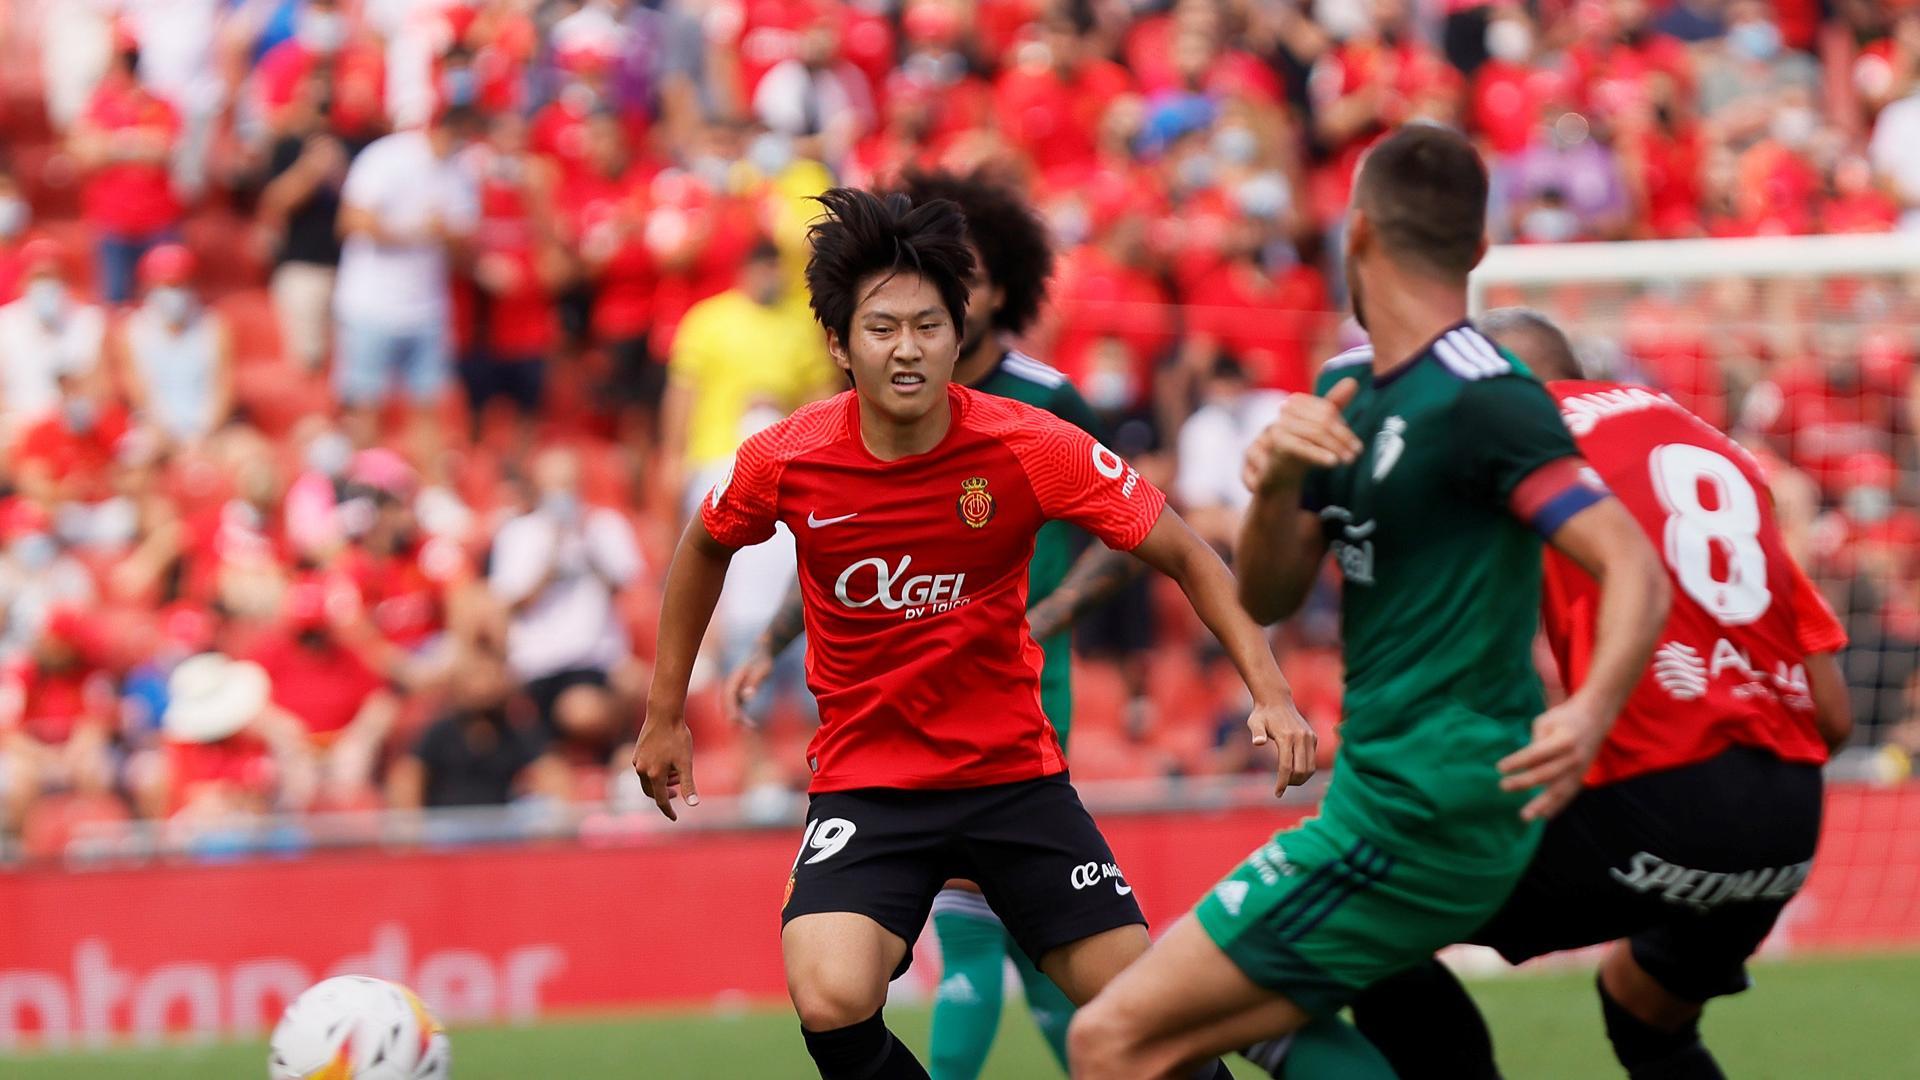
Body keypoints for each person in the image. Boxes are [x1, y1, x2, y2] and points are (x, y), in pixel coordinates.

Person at [633, 186, 1313, 1080]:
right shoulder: (785, 457)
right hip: (867, 786)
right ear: (839, 344)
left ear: (961, 336)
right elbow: (703, 546)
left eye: (928, 325)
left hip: (1011, 782)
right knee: (830, 992)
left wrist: (1271, 692)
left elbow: (1187, 554)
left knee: (1141, 1019)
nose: (907, 348)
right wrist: (664, 712)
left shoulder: (1033, 444)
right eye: (881, 328)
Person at [1065, 125, 1671, 1080]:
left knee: (1108, 1041)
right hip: (1386, 796)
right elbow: (1268, 590)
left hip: (1425, 809)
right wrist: (1272, 488)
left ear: (1352, 237)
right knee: (1179, 1031)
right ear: (1478, 248)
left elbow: (1632, 562)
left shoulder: (1489, 398)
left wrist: (1593, 710)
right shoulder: (1345, 393)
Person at [1348, 309, 1854, 1080]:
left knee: (1364, 918)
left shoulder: (1518, 442)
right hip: (1789, 826)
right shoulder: (1714, 446)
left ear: (1496, 381)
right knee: (1645, 1014)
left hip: (1656, 803)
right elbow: (1833, 715)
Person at [726, 167, 1142, 1080]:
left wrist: (1052, 611)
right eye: (887, 320)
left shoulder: (1044, 404)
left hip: (1020, 696)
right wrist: (768, 641)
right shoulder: (842, 435)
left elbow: (1147, 532)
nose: (916, 330)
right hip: (893, 727)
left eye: (966, 287)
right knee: (984, 950)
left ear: (990, 297)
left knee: (1039, 960)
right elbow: (846, 554)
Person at [332, 104, 482, 439]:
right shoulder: (388, 157)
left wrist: (447, 236)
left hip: (426, 306)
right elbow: (351, 221)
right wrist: (413, 230)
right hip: (371, 303)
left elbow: (464, 243)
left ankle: (429, 487)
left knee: (428, 406)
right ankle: (363, 484)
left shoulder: (461, 169)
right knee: (365, 406)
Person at [659, 238, 834, 516]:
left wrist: (783, 409)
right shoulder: (708, 320)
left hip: (783, 460)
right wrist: (673, 456)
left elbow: (822, 397)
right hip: (717, 455)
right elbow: (682, 392)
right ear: (745, 271)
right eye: (765, 269)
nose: (772, 277)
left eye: (777, 269)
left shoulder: (800, 325)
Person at [487, 448, 643, 736]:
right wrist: (551, 555)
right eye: (554, 486)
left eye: (568, 485)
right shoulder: (517, 533)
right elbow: (510, 601)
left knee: (641, 684)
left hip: (599, 656)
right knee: (581, 711)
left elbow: (622, 585)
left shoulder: (603, 526)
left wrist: (586, 543)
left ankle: (624, 755)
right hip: (543, 661)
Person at [69, 23, 183, 305]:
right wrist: (136, 143)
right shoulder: (99, 104)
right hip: (112, 220)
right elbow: (85, 153)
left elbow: (163, 151)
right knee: (116, 301)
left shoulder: (159, 103)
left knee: (163, 298)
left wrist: (112, 144)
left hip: (158, 218)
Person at [387, 644, 567, 810]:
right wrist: (412, 831)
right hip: (445, 830)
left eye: (491, 676)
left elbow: (552, 773)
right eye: (476, 676)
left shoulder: (517, 731)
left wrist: (558, 816)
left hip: (501, 829)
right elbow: (408, 776)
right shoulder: (439, 732)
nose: (483, 686)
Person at [117, 244, 234, 447]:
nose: (172, 293)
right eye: (165, 286)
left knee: (252, 460)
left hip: (212, 429)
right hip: (156, 429)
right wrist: (167, 435)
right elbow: (139, 393)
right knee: (134, 468)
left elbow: (224, 386)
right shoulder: (133, 331)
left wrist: (205, 434)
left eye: (179, 285)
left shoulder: (214, 326)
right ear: (148, 288)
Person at [0, 238, 106, 443]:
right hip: (20, 426)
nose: (45, 286)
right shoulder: (5, 323)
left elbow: (99, 386)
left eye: (52, 277)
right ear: (24, 280)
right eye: (39, 277)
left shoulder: (89, 320)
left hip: (76, 425)